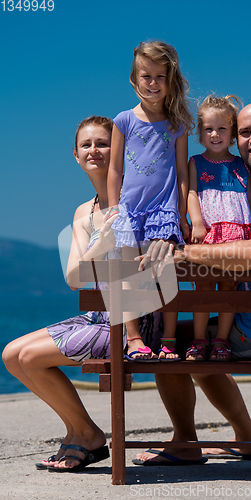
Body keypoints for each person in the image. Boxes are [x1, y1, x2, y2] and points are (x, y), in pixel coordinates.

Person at [133, 102, 251, 464]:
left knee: (167, 344)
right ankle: (243, 437)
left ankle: (186, 442)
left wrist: (184, 254)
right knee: (201, 341)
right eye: (245, 132)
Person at [2, 116, 162, 472]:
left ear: (119, 149)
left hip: (134, 324)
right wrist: (102, 242)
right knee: (12, 354)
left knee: (28, 358)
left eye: (103, 143)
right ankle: (78, 430)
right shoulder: (84, 212)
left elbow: (140, 272)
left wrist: (99, 251)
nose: (95, 150)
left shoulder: (139, 201)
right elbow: (75, 277)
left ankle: (87, 435)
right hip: (100, 317)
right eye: (86, 145)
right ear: (75, 155)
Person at [106, 40, 194, 362]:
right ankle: (134, 339)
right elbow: (114, 169)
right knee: (128, 275)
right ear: (135, 79)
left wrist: (181, 213)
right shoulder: (123, 120)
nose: (153, 83)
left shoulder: (177, 125)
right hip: (129, 212)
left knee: (166, 275)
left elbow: (183, 171)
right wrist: (114, 209)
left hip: (163, 213)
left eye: (160, 76)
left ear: (171, 81)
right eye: (147, 76)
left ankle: (169, 340)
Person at [187, 95, 251, 361]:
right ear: (200, 133)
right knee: (203, 288)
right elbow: (192, 193)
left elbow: (248, 198)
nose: (215, 134)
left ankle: (222, 341)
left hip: (236, 234)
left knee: (229, 288)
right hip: (208, 232)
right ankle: (199, 339)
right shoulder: (196, 162)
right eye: (208, 129)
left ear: (233, 133)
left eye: (222, 129)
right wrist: (198, 223)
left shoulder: (241, 165)